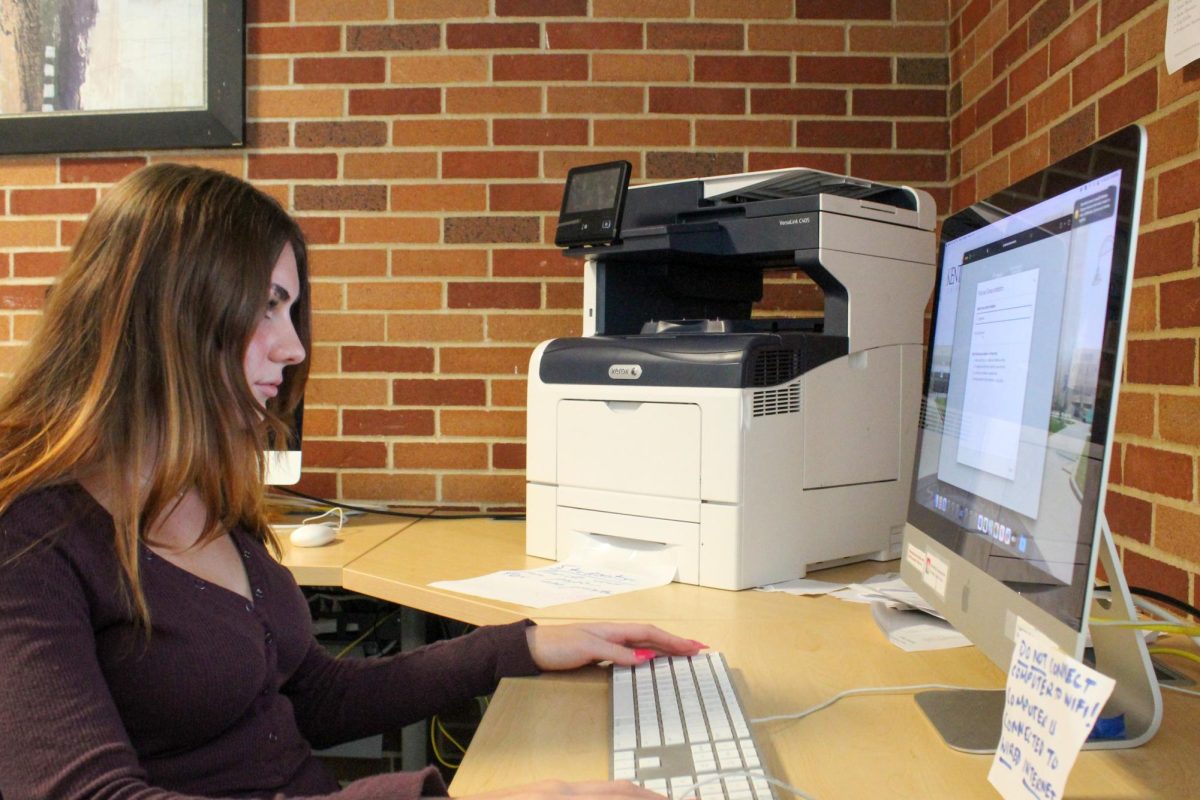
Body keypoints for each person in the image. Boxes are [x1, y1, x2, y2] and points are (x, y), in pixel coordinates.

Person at [0, 164, 702, 800]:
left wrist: (519, 646)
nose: (295, 345)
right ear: (167, 310)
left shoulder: (205, 489)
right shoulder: (31, 538)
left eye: (291, 309)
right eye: (266, 305)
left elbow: (310, 694)